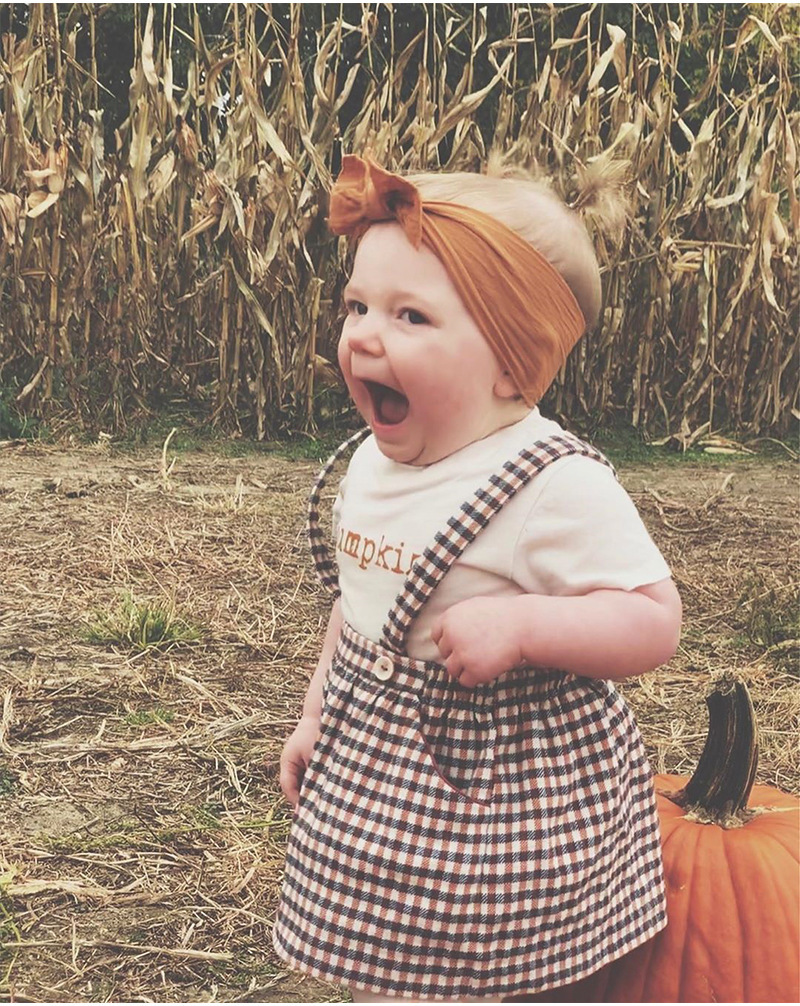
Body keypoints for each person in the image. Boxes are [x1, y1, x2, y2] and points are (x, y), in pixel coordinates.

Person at [272, 155, 682, 1003]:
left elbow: (652, 618)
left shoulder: (550, 484)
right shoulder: (374, 463)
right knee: (394, 950)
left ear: (511, 362)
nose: (363, 336)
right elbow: (359, 606)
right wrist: (316, 713)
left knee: (508, 967)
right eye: (357, 306)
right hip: (380, 757)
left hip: (507, 786)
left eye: (410, 315)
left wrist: (526, 627)